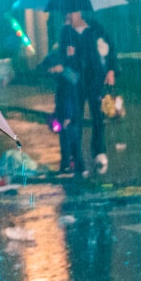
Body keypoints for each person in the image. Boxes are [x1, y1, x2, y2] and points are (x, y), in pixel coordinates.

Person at [48, 11, 117, 176]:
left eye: (70, 13)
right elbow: (61, 57)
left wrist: (111, 70)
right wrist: (65, 59)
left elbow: (110, 49)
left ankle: (99, 151)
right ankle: (76, 158)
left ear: (78, 12)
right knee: (74, 119)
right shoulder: (66, 32)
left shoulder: (95, 28)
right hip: (75, 83)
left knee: (98, 117)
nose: (67, 17)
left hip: (95, 80)